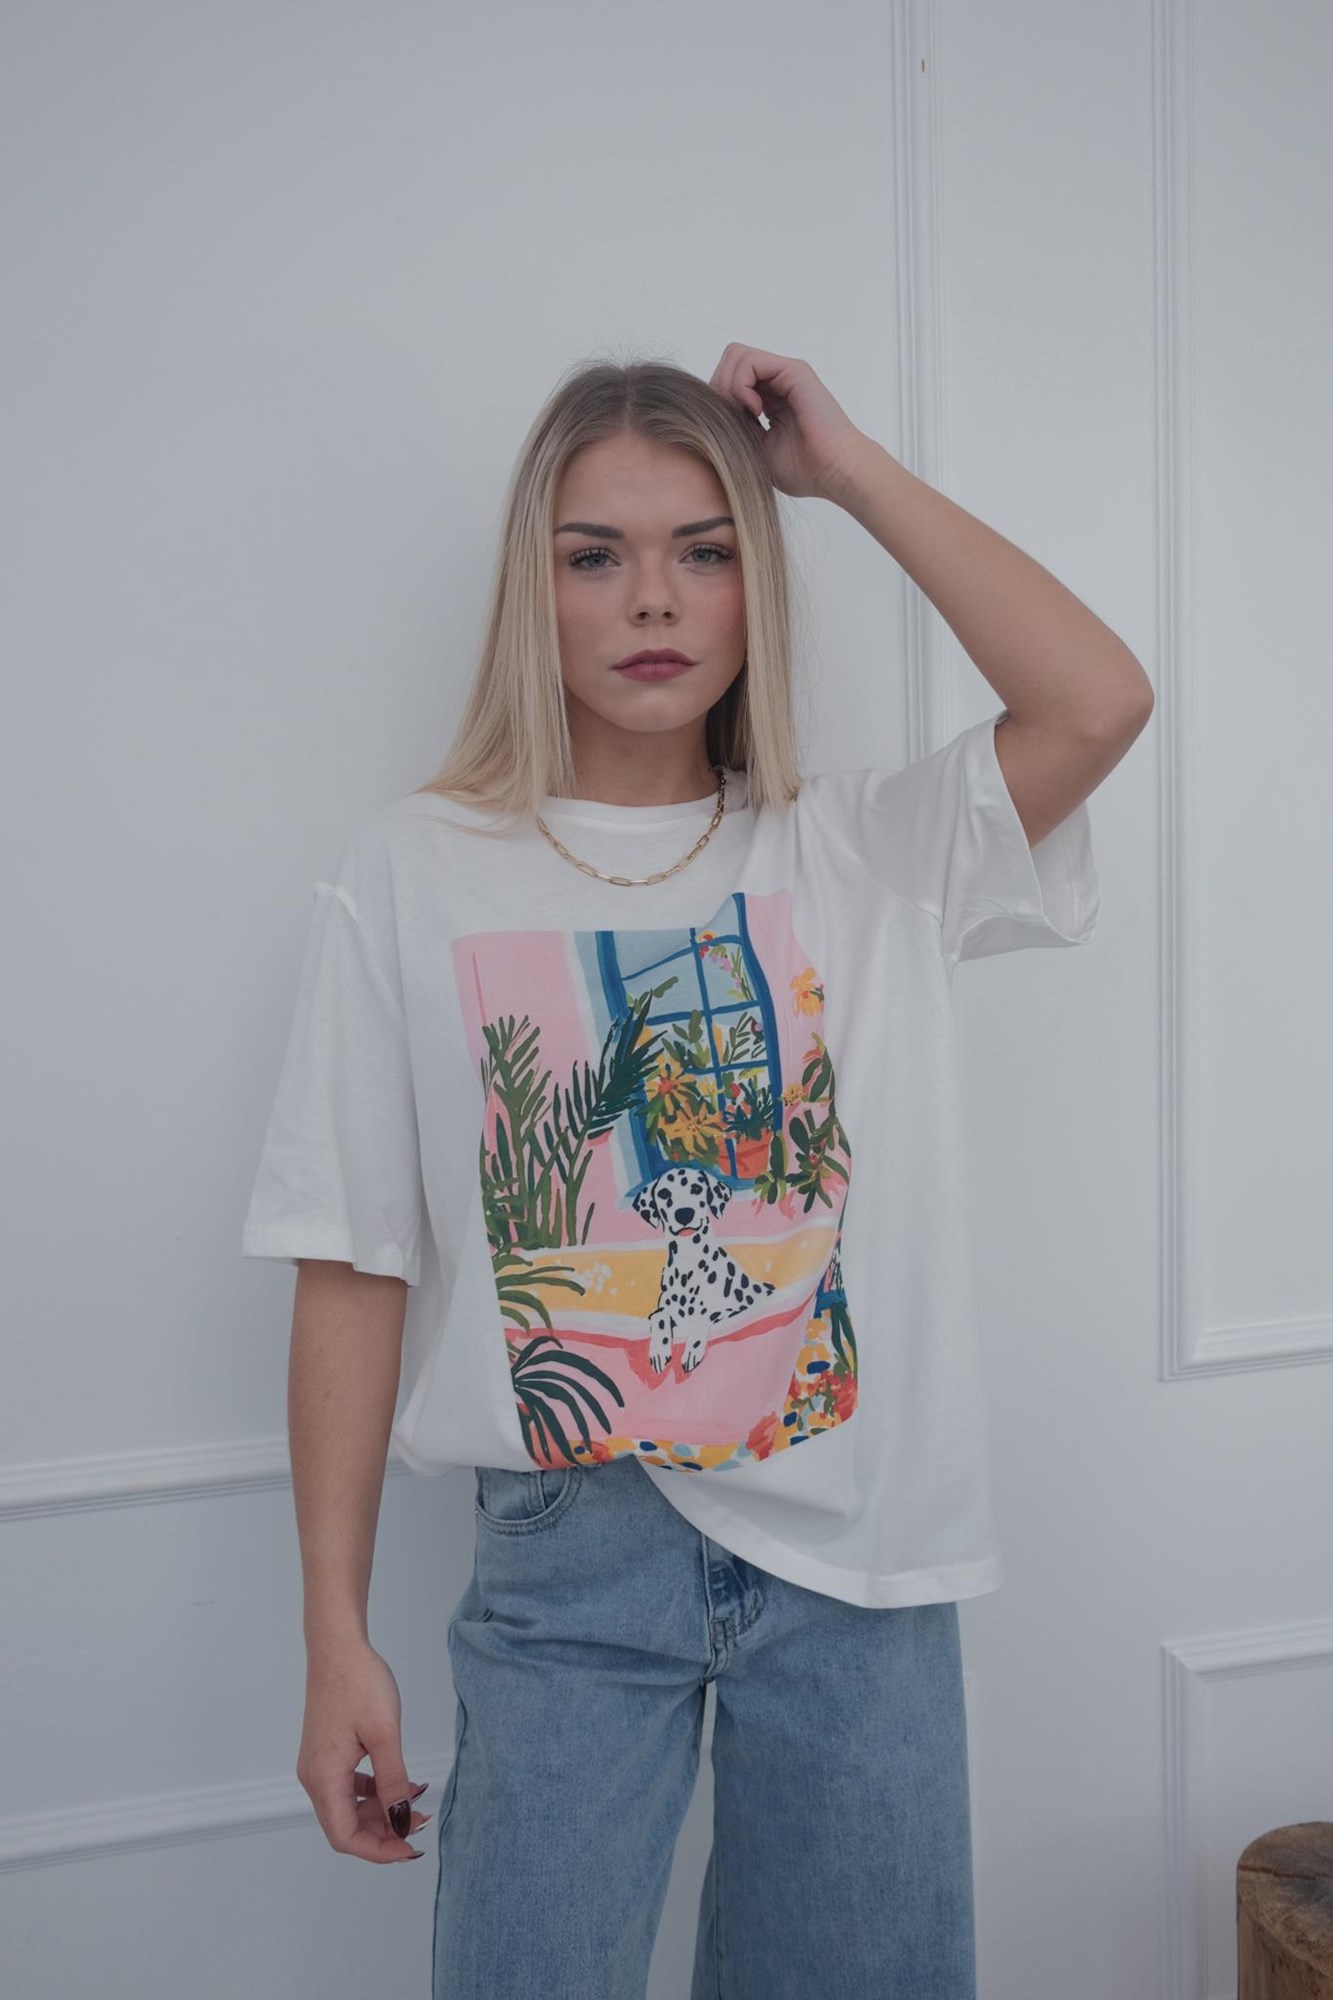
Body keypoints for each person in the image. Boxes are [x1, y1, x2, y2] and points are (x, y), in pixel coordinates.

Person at [241, 345, 1153, 1999]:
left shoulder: (861, 852)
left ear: (756, 587)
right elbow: (351, 1259)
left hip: (858, 1556)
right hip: (566, 1550)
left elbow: (1097, 702)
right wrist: (333, 1636)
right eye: (594, 554)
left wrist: (842, 469)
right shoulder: (413, 871)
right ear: (532, 590)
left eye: (705, 550)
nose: (652, 598)